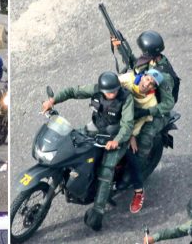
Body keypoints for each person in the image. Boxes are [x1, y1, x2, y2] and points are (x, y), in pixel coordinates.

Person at [42, 72, 134, 231]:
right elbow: (73, 91)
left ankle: (98, 211)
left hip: (116, 136)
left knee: (106, 169)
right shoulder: (96, 89)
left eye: (115, 90)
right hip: (96, 127)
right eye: (109, 91)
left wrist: (116, 141)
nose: (112, 94)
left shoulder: (126, 98)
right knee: (71, 139)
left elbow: (127, 125)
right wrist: (53, 100)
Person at [113, 31, 178, 178]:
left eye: (144, 52)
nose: (142, 54)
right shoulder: (151, 60)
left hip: (158, 110)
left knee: (145, 137)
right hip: (143, 97)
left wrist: (147, 112)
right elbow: (136, 66)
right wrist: (119, 47)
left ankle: (136, 172)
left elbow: (168, 104)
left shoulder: (165, 76)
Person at [119, 69, 164, 213]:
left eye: (152, 84)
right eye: (147, 79)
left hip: (130, 127)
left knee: (133, 157)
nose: (147, 83)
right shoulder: (129, 78)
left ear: (153, 89)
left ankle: (139, 192)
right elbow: (112, 82)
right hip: (113, 117)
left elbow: (138, 122)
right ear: (142, 76)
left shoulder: (151, 103)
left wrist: (131, 136)